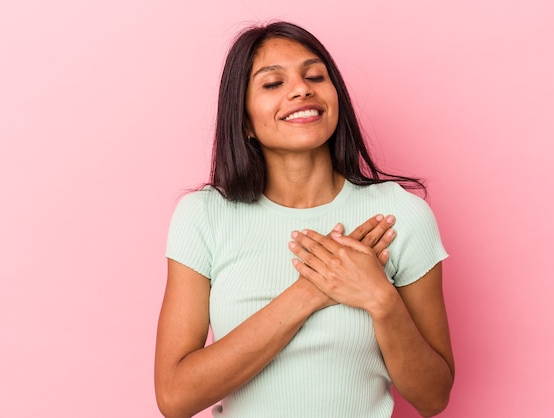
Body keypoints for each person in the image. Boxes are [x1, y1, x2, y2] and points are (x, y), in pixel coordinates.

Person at [155, 21, 454, 418]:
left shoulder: (399, 216)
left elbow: (433, 398)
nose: (301, 89)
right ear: (243, 120)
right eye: (272, 83)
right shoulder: (204, 216)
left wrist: (380, 298)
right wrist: (313, 290)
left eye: (314, 76)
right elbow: (175, 398)